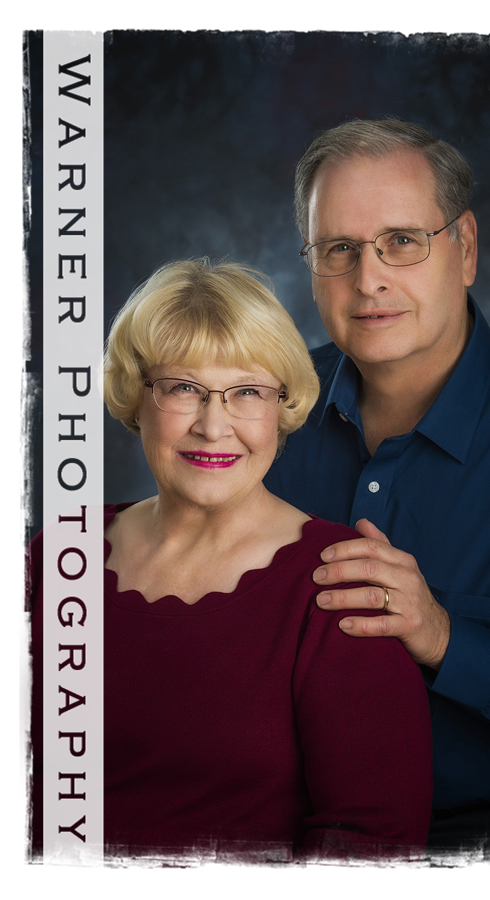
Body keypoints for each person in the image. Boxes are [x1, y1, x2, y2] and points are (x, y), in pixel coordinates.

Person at [28, 258, 433, 864]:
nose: (213, 426)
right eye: (183, 388)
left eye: (247, 391)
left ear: (281, 406)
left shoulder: (339, 583)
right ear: (136, 397)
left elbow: (370, 843)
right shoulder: (56, 556)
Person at [264, 119, 490, 855]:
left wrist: (441, 637)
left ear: (464, 249)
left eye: (402, 241)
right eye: (339, 249)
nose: (367, 279)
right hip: (275, 843)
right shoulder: (259, 413)